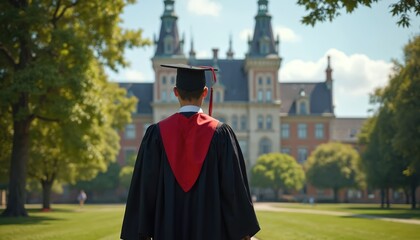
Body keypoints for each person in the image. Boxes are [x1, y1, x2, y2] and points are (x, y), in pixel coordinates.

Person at [121, 64, 260, 240]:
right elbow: (233, 190)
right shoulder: (221, 134)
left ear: (175, 92)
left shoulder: (156, 134)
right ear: (205, 92)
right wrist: (243, 232)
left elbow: (145, 189)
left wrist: (140, 233)